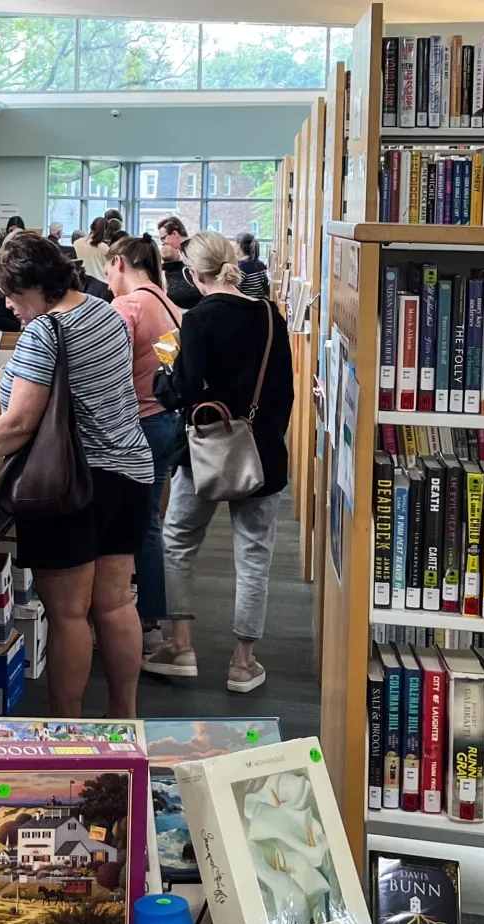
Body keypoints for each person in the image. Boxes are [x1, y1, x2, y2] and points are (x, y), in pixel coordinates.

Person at [0, 233, 153, 717]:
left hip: (69, 486)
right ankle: (125, 717)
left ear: (35, 286)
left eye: (14, 296)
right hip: (129, 473)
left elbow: (20, 422)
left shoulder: (45, 331)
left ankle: (67, 728)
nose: (12, 307)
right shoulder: (106, 309)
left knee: (69, 615)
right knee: (117, 605)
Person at [141, 231, 294, 694]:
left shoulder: (198, 320)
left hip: (203, 450)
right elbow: (284, 390)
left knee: (179, 542)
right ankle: (243, 661)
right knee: (254, 555)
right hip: (261, 453)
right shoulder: (270, 314)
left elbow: (181, 391)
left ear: (192, 274)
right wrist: (261, 431)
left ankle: (180, 645)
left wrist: (163, 378)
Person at [105, 233, 182, 654]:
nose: (108, 281)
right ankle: (152, 613)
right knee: (150, 518)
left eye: (107, 270)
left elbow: (107, 369)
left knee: (137, 525)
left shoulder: (128, 306)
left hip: (136, 424)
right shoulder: (169, 305)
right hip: (164, 420)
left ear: (119, 262)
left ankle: (142, 617)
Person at [157, 216, 201, 311]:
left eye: (163, 238)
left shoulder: (196, 252)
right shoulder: (181, 254)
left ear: (174, 233)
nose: (162, 243)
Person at [73, 217, 112, 282]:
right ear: (105, 231)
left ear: (91, 227)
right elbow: (110, 270)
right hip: (102, 285)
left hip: (82, 284)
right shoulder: (104, 248)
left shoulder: (76, 243)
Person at [235, 232, 272, 298]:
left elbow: (234, 290)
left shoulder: (242, 267)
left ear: (239, 245)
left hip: (247, 305)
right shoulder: (260, 264)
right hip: (260, 304)